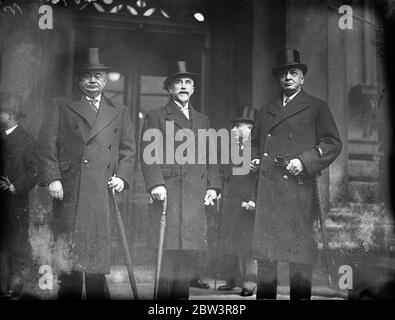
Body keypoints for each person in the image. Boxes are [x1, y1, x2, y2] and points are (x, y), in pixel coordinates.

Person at [38, 48, 136, 300]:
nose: (93, 80)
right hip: (70, 188)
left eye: (98, 76)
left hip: (102, 190)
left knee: (96, 257)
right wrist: (53, 178)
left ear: (105, 80)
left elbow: (128, 150)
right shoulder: (61, 105)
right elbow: (46, 145)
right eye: (87, 75)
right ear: (79, 79)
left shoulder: (120, 110)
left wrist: (122, 178)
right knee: (69, 257)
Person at [249, 49, 342, 300]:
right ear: (278, 79)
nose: (288, 77)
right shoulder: (265, 110)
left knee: (299, 259)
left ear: (302, 78)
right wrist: (254, 158)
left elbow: (333, 143)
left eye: (294, 73)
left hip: (299, 192)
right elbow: (253, 143)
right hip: (268, 193)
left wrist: (304, 160)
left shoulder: (316, 107)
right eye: (283, 74)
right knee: (266, 261)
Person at [140, 61, 221, 300]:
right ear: (170, 89)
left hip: (195, 195)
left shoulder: (202, 120)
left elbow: (211, 156)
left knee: (187, 256)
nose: (183, 87)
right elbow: (147, 154)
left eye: (188, 83)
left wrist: (214, 187)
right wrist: (155, 183)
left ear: (193, 89)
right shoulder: (156, 117)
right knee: (167, 256)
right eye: (178, 83)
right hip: (169, 193)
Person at [216, 106, 258, 297]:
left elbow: (262, 179)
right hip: (230, 201)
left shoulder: (259, 151)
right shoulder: (230, 148)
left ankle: (249, 283)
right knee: (229, 240)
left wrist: (252, 200)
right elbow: (223, 172)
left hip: (248, 203)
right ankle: (233, 279)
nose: (233, 130)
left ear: (249, 128)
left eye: (237, 126)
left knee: (247, 243)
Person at [0, 92, 38, 298]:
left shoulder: (26, 140)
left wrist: (15, 186)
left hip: (16, 204)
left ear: (11, 115)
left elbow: (35, 171)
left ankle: (15, 286)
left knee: (16, 245)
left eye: (1, 113)